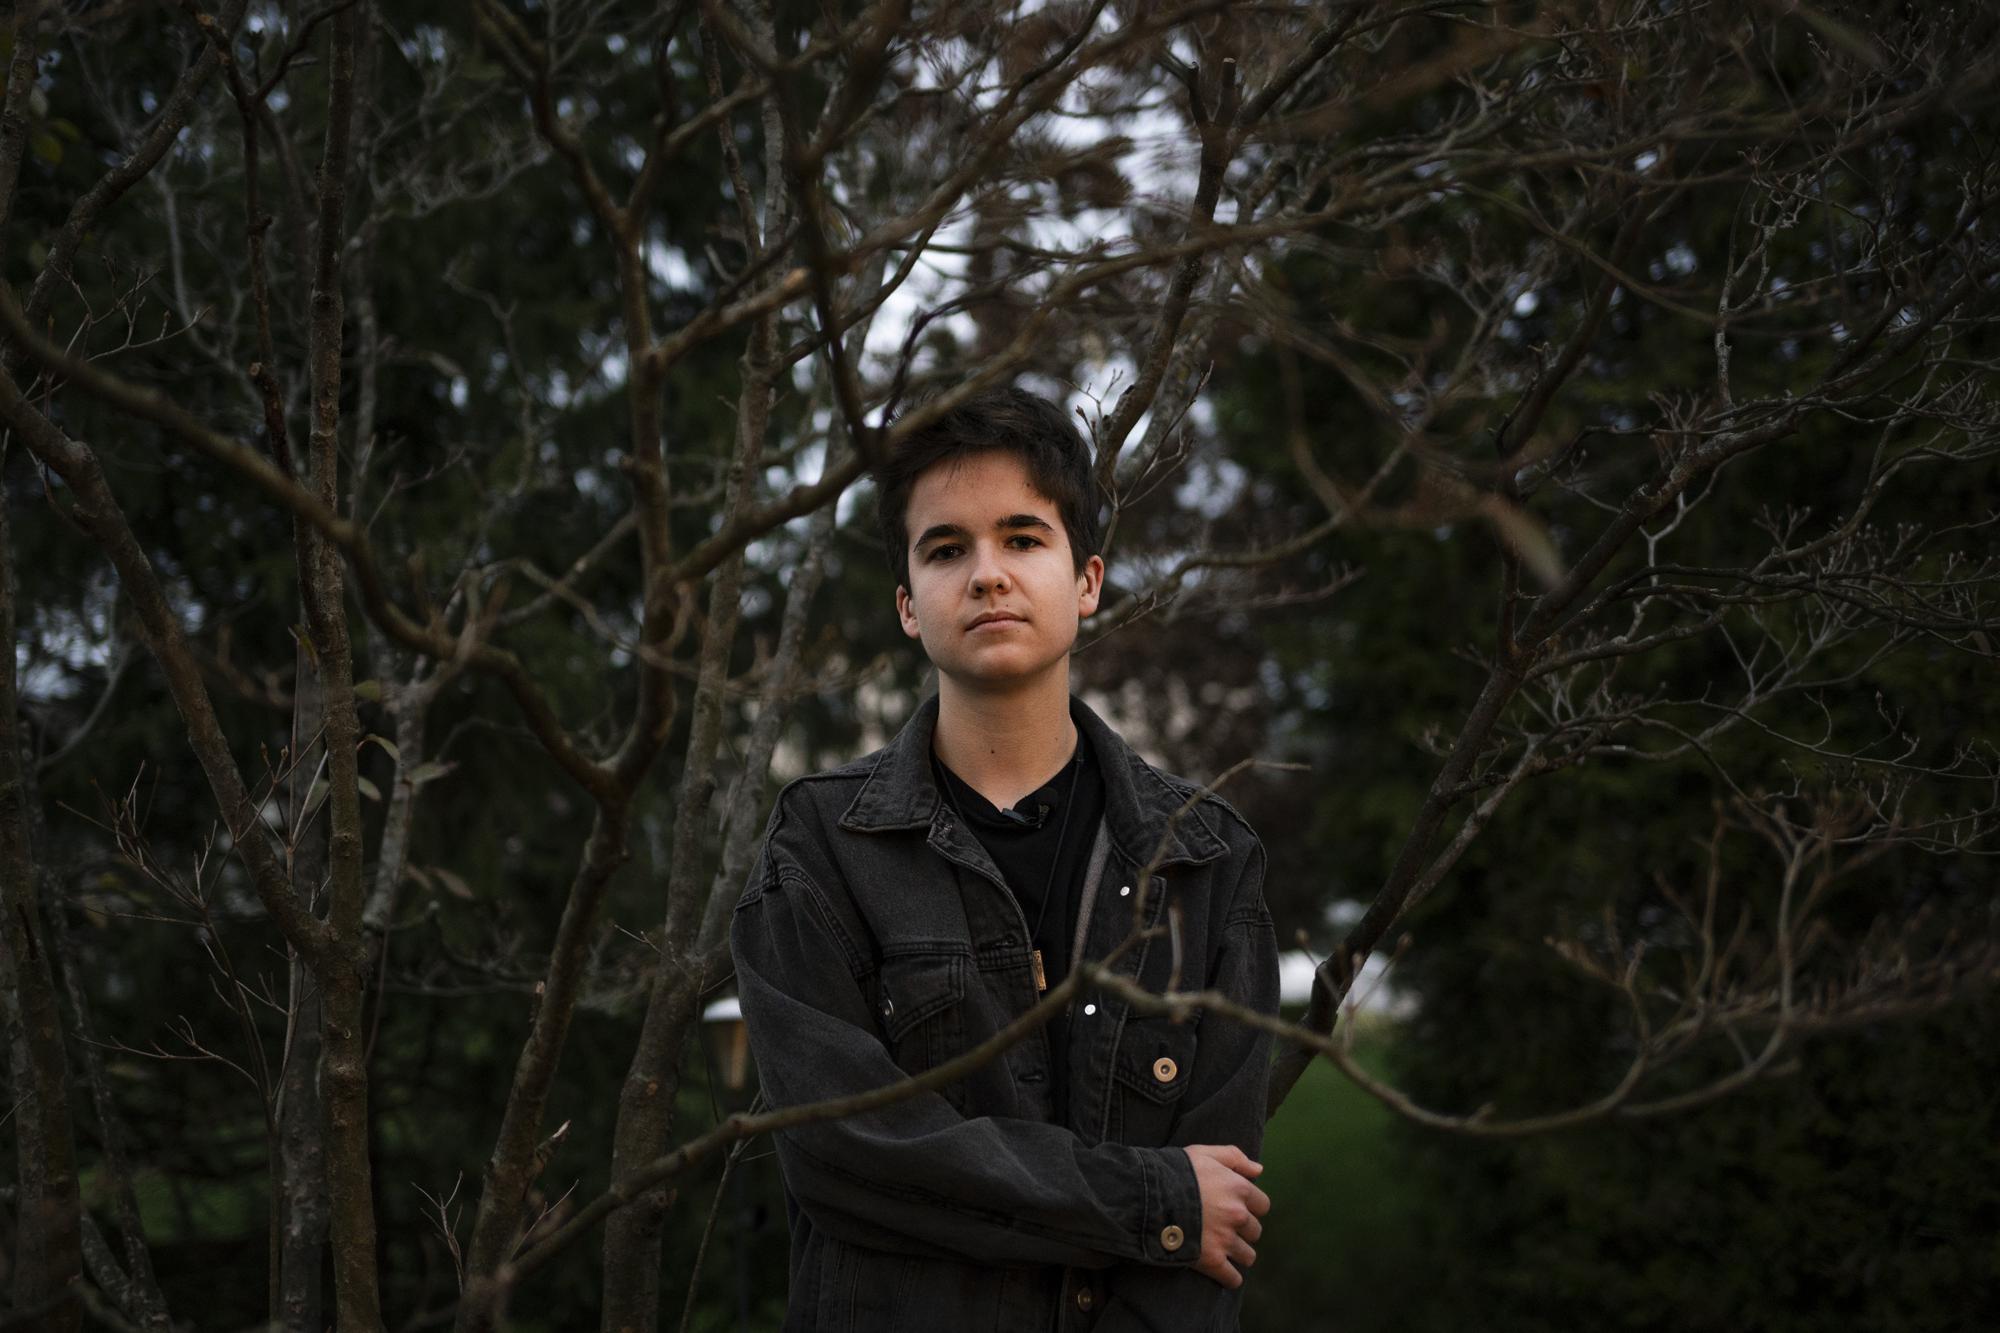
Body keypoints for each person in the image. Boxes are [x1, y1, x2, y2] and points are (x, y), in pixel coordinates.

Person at [730, 385, 1279, 1331]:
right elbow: (842, 1153)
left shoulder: (1208, 859)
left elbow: (1217, 1218)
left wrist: (1175, 1215)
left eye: (1023, 538)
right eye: (947, 549)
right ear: (908, 606)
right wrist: (1149, 1202)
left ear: (1087, 581)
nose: (988, 574)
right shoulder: (820, 848)